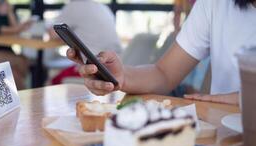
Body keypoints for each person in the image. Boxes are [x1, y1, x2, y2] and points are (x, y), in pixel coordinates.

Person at [67, 0, 256, 105]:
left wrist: (244, 101)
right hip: (224, 145)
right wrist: (122, 76)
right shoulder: (215, 4)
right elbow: (164, 74)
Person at [0, 0, 32, 89]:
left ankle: (20, 96)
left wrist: (10, 12)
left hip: (7, 50)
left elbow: (15, 31)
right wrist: (18, 29)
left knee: (21, 63)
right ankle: (25, 94)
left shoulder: (6, 5)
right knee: (18, 65)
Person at [48, 0, 122, 56]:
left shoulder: (74, 6)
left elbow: (53, 34)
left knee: (55, 77)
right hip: (116, 62)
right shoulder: (104, 7)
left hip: (93, 63)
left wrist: (45, 25)